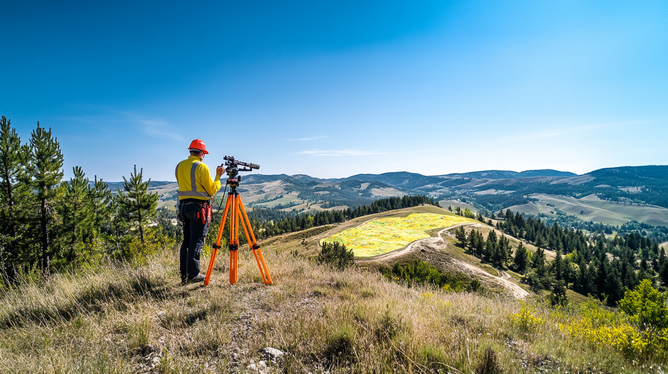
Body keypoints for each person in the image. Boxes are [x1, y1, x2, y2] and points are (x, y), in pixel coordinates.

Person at [176, 139, 224, 283]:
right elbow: (211, 190)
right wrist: (217, 177)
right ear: (202, 153)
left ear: (191, 151)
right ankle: (193, 275)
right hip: (198, 209)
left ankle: (184, 275)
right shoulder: (201, 167)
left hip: (183, 207)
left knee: (187, 242)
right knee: (196, 242)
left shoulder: (179, 166)